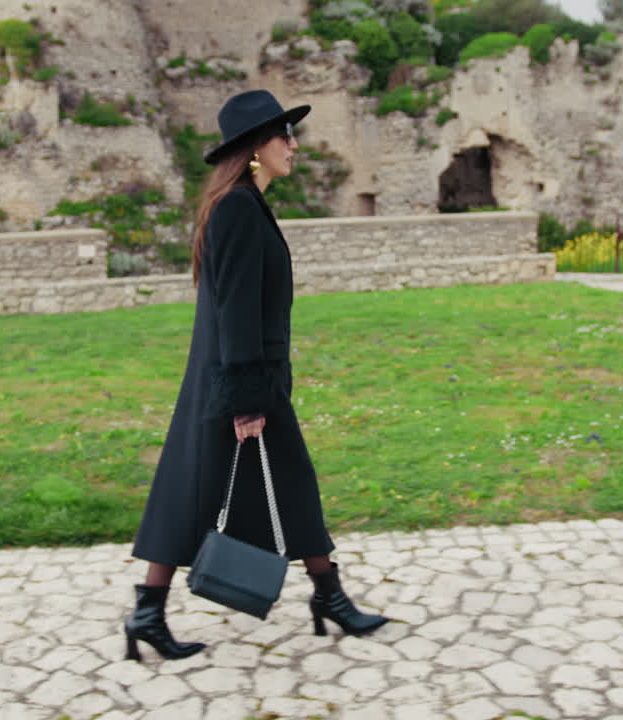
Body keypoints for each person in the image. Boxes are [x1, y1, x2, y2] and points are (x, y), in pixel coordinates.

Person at [125, 90, 389, 661]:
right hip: (242, 383)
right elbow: (237, 311)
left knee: (202, 491)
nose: (294, 145)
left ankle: (151, 613)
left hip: (234, 379)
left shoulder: (240, 204)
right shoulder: (240, 209)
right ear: (253, 149)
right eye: (283, 136)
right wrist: (248, 400)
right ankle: (329, 599)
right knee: (244, 489)